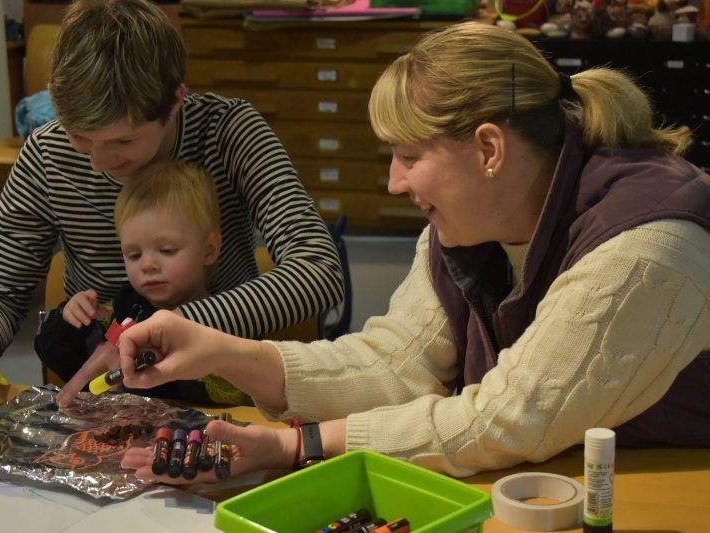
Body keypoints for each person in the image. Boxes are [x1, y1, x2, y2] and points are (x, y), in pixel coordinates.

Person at [118, 21, 710, 483]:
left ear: (488, 149)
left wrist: (299, 444)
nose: (395, 183)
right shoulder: (466, 225)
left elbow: (507, 418)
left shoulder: (648, 246)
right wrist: (226, 353)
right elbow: (397, 362)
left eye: (408, 155)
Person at [0, 0, 343, 393]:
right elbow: (1, 288)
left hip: (218, 381)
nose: (97, 161)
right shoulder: (46, 152)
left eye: (123, 140)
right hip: (99, 387)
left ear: (175, 102)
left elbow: (319, 269)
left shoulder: (229, 133)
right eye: (79, 138)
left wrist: (166, 329)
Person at [35, 160, 250, 406]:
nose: (147, 265)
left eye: (167, 250)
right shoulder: (123, 311)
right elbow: (59, 359)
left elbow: (238, 395)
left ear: (209, 250)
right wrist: (69, 319)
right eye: (134, 255)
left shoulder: (227, 320)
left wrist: (160, 356)